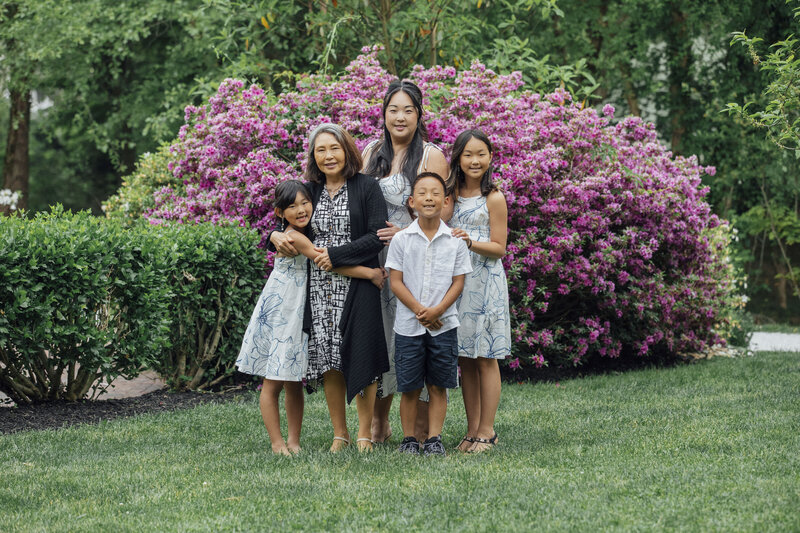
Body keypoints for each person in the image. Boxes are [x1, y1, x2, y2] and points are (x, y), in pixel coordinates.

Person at [236, 180, 386, 455]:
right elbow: (324, 261)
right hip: (285, 308)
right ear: (280, 212)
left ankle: (293, 441)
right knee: (273, 380)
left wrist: (273, 233)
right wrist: (370, 273)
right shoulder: (297, 237)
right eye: (292, 206)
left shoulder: (298, 232)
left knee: (292, 379)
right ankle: (277, 443)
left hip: (297, 306)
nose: (302, 209)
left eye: (305, 203)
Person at [268, 124, 390, 453]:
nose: (328, 156)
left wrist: (333, 255)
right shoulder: (311, 189)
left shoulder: (367, 188)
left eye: (333, 148)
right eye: (320, 150)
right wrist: (273, 237)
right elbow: (286, 220)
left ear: (346, 150)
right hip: (319, 288)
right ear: (314, 157)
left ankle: (364, 432)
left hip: (359, 283)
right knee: (329, 360)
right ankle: (341, 433)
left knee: (362, 354)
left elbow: (376, 236)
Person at [362, 79, 450, 443]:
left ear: (419, 115)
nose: (400, 117)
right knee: (382, 337)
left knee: (415, 333)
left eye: (408, 110)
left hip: (417, 254)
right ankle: (379, 423)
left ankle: (419, 428)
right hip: (376, 258)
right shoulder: (370, 151)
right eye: (393, 110)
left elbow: (444, 207)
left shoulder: (431, 155)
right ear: (383, 114)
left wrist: (406, 232)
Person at [385, 172, 473, 456]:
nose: (429, 198)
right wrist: (420, 311)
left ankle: (434, 439)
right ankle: (409, 439)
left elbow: (458, 282)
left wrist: (437, 310)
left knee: (438, 385)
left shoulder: (456, 241)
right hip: (408, 326)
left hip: (444, 325)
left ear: (446, 201)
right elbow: (395, 281)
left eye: (435, 193)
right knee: (409, 387)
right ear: (412, 201)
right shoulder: (401, 240)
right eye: (422, 193)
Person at [447, 130, 510, 453]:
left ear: (490, 157)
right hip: (458, 285)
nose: (475, 160)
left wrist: (470, 241)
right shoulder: (451, 195)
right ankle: (471, 430)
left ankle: (488, 430)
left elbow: (499, 247)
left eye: (482, 153)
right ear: (458, 157)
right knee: (465, 358)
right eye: (469, 154)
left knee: (485, 357)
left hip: (485, 283)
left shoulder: (493, 197)